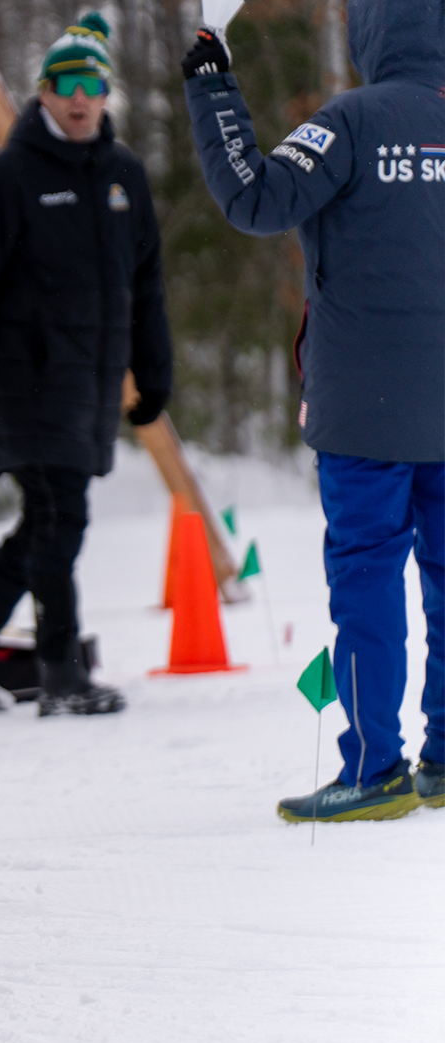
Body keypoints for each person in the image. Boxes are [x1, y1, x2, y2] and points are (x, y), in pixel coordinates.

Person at [181, 1, 445, 822]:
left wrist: (210, 75)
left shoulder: (352, 121)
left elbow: (254, 198)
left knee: (366, 573)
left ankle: (374, 768)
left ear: (372, 32)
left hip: (364, 406)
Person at [0, 11, 172, 717]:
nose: (80, 100)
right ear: (43, 94)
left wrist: (155, 373)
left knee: (45, 529)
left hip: (88, 387)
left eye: (92, 86)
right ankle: (61, 674)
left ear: (105, 93)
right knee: (59, 521)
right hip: (23, 382)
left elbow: (144, 285)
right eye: (66, 87)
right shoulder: (7, 179)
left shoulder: (124, 178)